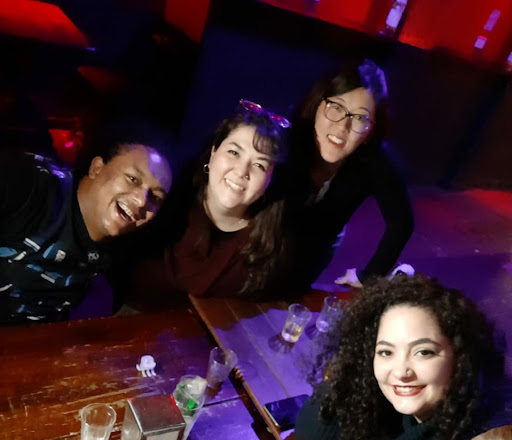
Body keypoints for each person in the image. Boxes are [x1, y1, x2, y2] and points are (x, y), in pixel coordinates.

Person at [293, 274, 505, 440]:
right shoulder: (361, 405)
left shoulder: (483, 431)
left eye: (424, 352)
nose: (401, 372)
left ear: (460, 358)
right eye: (386, 352)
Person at [0, 124, 173, 324]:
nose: (142, 201)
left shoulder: (123, 248)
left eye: (155, 197)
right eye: (133, 179)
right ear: (96, 168)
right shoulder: (30, 183)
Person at [125, 100, 289, 308]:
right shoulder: (166, 199)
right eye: (234, 153)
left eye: (259, 164)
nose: (241, 171)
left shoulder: (270, 241)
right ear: (213, 153)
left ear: (269, 180)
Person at [287, 58, 414, 289]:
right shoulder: (287, 140)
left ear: (371, 131)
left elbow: (402, 223)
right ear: (318, 103)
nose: (342, 127)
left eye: (360, 118)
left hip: (312, 253)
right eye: (336, 107)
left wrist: (369, 276)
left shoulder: (376, 162)